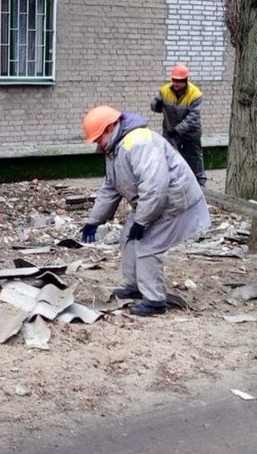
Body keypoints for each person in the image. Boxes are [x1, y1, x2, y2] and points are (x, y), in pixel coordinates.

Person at [78, 105, 211, 315]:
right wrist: (94, 220)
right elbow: (111, 187)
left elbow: (155, 185)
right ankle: (135, 286)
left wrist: (142, 221)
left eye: (97, 138)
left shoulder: (139, 142)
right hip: (153, 202)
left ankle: (154, 300)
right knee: (129, 239)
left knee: (148, 245)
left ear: (110, 128)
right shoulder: (115, 149)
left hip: (174, 202)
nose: (97, 144)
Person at [151, 62, 206, 187]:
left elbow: (193, 118)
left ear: (186, 81)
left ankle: (200, 185)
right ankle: (174, 183)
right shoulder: (164, 91)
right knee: (170, 158)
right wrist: (156, 105)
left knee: (194, 158)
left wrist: (177, 130)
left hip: (190, 133)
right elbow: (154, 105)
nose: (175, 83)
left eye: (179, 81)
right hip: (169, 132)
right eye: (174, 80)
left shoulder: (195, 94)